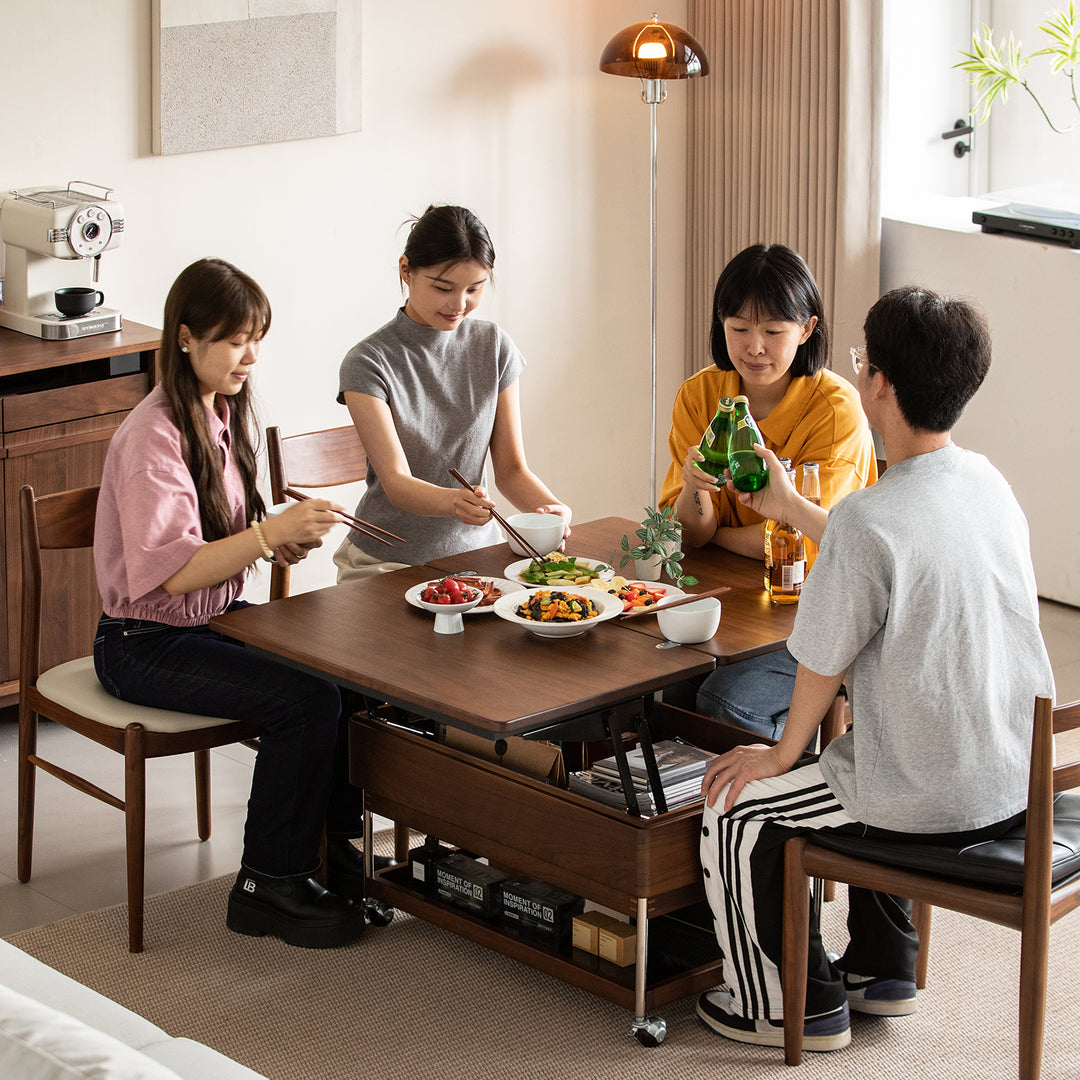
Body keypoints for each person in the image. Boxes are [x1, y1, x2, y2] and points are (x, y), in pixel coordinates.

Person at [694, 285, 1056, 1053]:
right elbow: (895, 554)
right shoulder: (987, 483)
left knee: (736, 808)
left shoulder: (870, 518)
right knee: (853, 755)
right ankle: (882, 969)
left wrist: (779, 754)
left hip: (928, 794)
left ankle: (786, 1007)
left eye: (863, 361)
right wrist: (793, 508)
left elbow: (821, 659)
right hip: (1013, 775)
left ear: (880, 382)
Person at [93, 257, 375, 950]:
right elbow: (176, 575)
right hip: (141, 643)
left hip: (204, 623)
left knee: (348, 678)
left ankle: (332, 850)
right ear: (186, 337)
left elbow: (221, 546)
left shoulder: (217, 413)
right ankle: (267, 884)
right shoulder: (152, 436)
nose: (249, 356)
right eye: (234, 339)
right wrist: (264, 534)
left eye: (257, 338)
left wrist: (277, 544)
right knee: (304, 701)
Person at [659, 243, 877, 739]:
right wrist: (695, 491)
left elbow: (809, 538)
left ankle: (767, 791)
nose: (754, 347)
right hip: (728, 595)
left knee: (722, 702)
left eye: (773, 332)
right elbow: (689, 534)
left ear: (807, 329)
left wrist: (719, 535)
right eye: (738, 329)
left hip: (809, 607)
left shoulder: (835, 408)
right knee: (647, 679)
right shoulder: (699, 395)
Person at [334, 204, 570, 580]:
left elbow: (510, 470)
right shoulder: (368, 362)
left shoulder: (493, 346)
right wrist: (454, 502)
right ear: (406, 270)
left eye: (474, 289)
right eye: (443, 288)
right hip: (387, 563)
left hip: (480, 559)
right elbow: (396, 484)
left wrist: (553, 510)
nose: (459, 304)